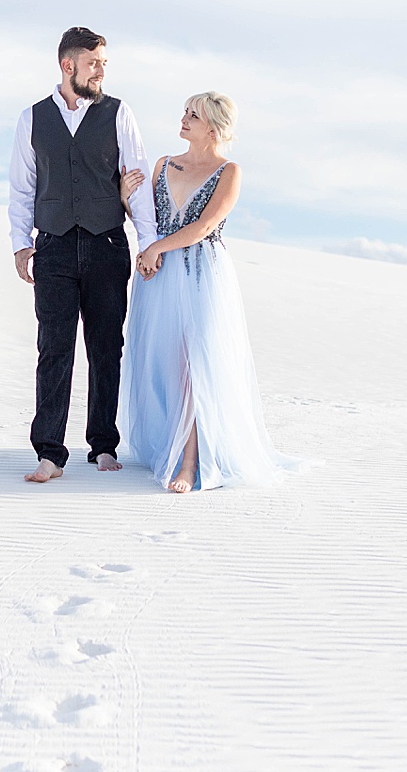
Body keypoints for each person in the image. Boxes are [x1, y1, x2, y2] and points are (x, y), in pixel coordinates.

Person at [119, 91, 302, 492]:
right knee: (167, 364)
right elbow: (151, 218)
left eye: (194, 115)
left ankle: (191, 463)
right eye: (185, 112)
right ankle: (172, 445)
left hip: (201, 275)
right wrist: (125, 201)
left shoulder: (229, 171)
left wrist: (155, 249)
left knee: (195, 363)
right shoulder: (164, 164)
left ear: (214, 128)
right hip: (159, 277)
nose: (184, 119)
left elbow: (203, 226)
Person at [8, 27, 158, 484]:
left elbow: (138, 180)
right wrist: (21, 242)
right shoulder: (32, 118)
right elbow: (22, 187)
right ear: (67, 65)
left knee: (106, 347)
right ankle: (50, 453)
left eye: (104, 64)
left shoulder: (119, 113)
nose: (101, 72)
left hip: (106, 243)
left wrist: (148, 242)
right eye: (94, 63)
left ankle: (103, 445)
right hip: (52, 247)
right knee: (53, 348)